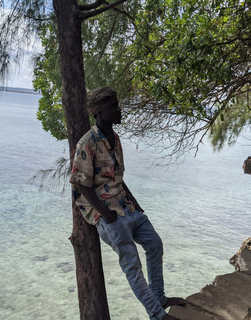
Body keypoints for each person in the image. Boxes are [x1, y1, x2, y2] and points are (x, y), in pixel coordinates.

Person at [69, 87, 186, 320]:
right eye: (113, 106)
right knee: (132, 266)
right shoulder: (88, 142)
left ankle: (160, 297)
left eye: (117, 104)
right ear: (100, 111)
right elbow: (82, 185)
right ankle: (158, 315)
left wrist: (135, 202)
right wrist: (107, 215)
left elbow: (117, 177)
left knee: (155, 244)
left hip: (126, 205)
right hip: (108, 213)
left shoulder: (115, 138)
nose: (119, 109)